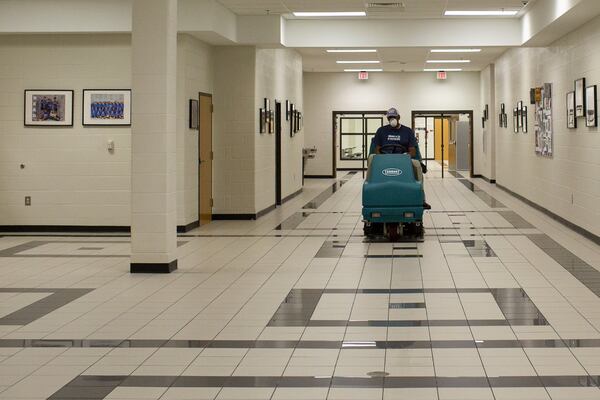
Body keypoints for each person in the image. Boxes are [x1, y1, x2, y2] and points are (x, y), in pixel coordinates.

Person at [374, 108, 431, 210]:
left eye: (394, 117)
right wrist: (381, 158)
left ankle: (421, 199)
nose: (392, 119)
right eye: (390, 117)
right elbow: (377, 149)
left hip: (403, 159)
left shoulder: (407, 131)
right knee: (371, 161)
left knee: (417, 167)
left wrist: (404, 155)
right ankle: (373, 189)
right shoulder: (381, 131)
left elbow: (412, 151)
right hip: (384, 159)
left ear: (398, 117)